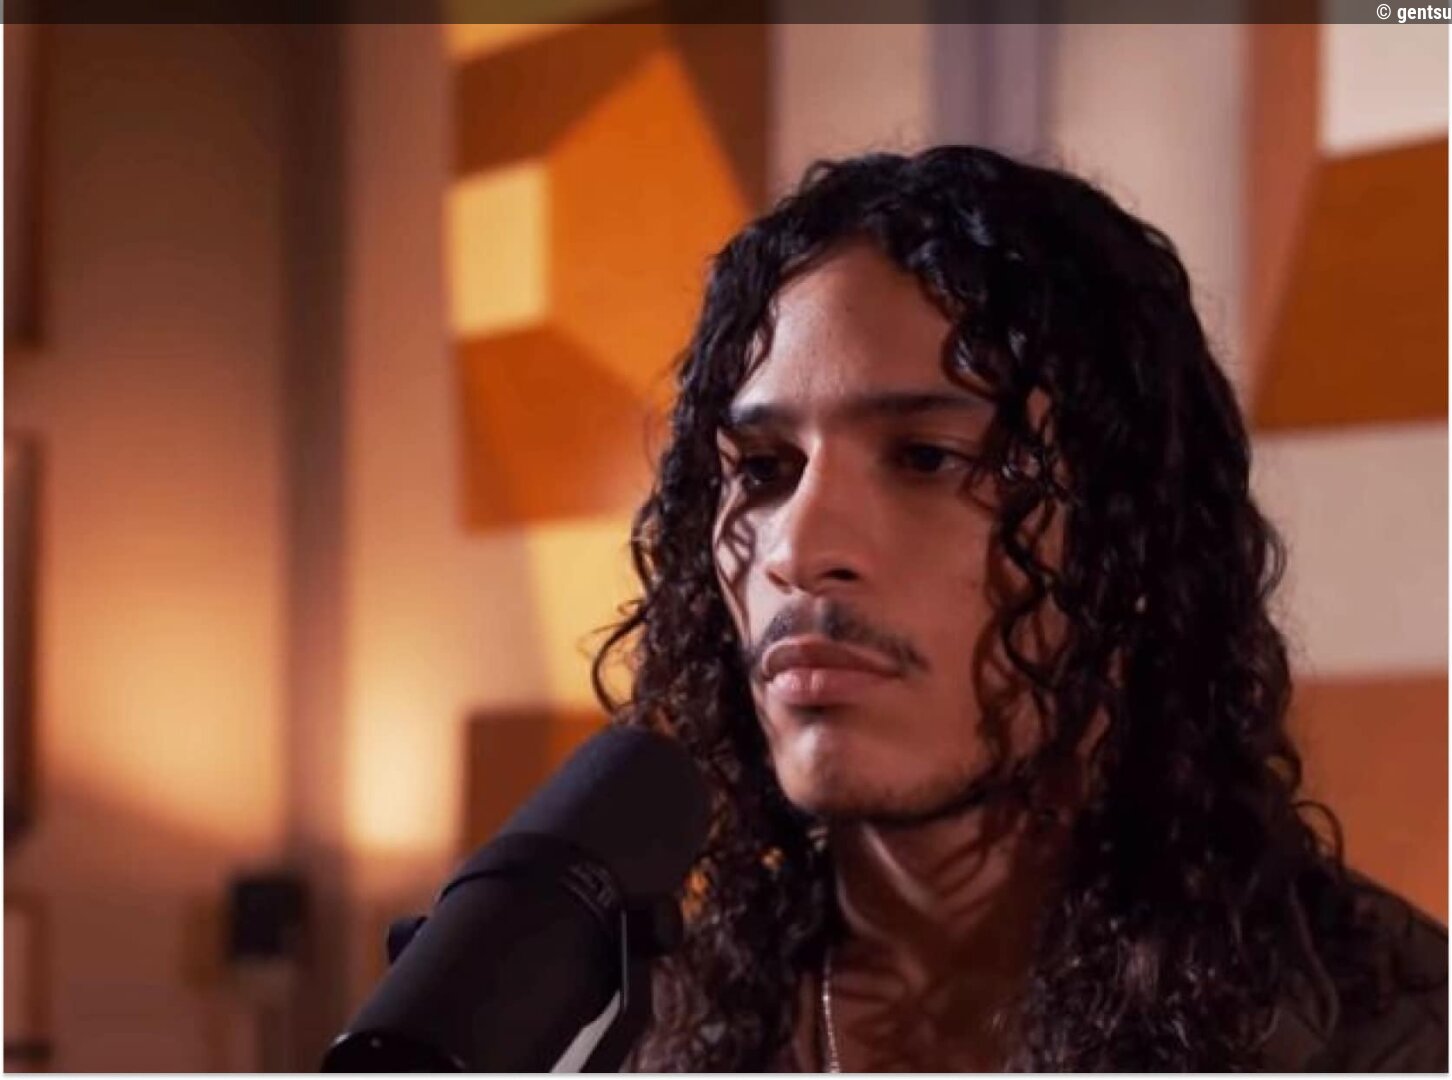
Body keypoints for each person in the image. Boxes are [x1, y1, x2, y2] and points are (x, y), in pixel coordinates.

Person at [590, 145, 1447, 1071]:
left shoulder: (1387, 1035)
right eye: (763, 471)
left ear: (1130, 534)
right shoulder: (637, 1032)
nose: (796, 552)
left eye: (928, 458)